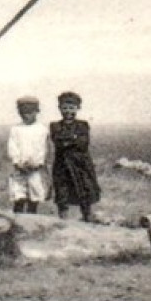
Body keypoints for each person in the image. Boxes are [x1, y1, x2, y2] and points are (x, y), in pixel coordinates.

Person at [50, 91, 100, 221]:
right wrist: (73, 138)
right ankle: (63, 220)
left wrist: (69, 140)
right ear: (59, 108)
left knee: (84, 190)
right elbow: (58, 141)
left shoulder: (83, 125)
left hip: (81, 165)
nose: (68, 111)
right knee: (62, 192)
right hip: (62, 165)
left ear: (77, 108)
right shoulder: (55, 126)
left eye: (71, 108)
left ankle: (87, 217)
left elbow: (83, 143)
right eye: (65, 108)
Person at [7, 95, 50, 214]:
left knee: (34, 194)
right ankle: (17, 218)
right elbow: (12, 147)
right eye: (23, 112)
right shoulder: (15, 129)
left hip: (35, 168)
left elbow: (43, 148)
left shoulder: (42, 129)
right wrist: (17, 162)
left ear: (36, 112)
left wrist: (37, 163)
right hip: (20, 167)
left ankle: (31, 221)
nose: (27, 115)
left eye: (30, 112)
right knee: (19, 194)